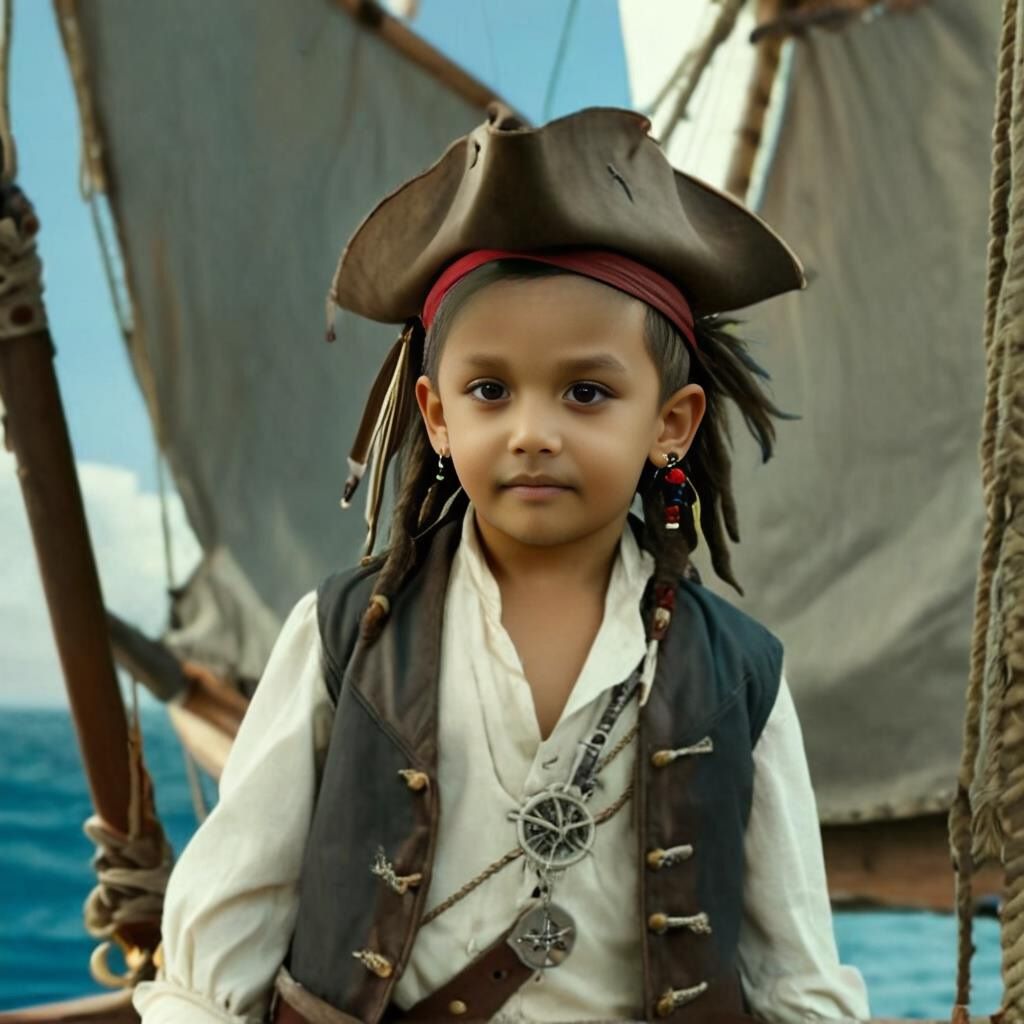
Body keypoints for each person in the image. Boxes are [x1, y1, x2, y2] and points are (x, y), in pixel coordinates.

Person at [134, 105, 871, 1024]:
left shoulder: (743, 676)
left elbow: (795, 972)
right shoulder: (342, 637)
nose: (532, 431)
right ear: (438, 418)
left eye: (587, 392)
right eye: (490, 391)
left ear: (670, 425)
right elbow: (224, 937)